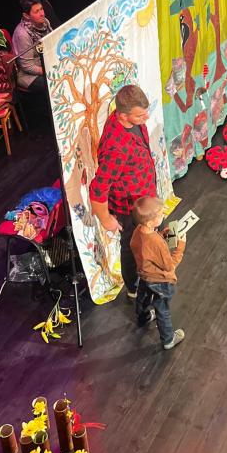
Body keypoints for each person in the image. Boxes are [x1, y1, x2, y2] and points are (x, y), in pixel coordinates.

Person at [89, 84, 157, 297]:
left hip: (144, 195)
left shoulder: (128, 119)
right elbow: (98, 188)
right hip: (130, 208)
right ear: (122, 115)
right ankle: (133, 289)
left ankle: (153, 271)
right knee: (131, 247)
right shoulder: (116, 148)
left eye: (145, 112)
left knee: (151, 239)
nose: (146, 117)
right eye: (140, 115)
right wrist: (105, 218)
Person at [130, 196, 186, 350]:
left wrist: (161, 234)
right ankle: (168, 340)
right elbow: (169, 266)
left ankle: (143, 318)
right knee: (162, 308)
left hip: (144, 276)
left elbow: (145, 249)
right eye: (161, 214)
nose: (164, 214)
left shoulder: (137, 231)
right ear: (150, 222)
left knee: (142, 298)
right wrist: (180, 247)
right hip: (160, 281)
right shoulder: (157, 242)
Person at [12, 0, 52, 93]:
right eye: (37, 11)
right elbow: (28, 67)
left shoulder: (45, 22)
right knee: (56, 80)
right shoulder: (22, 34)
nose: (42, 14)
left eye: (41, 9)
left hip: (47, 64)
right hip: (29, 76)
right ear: (26, 16)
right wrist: (51, 69)